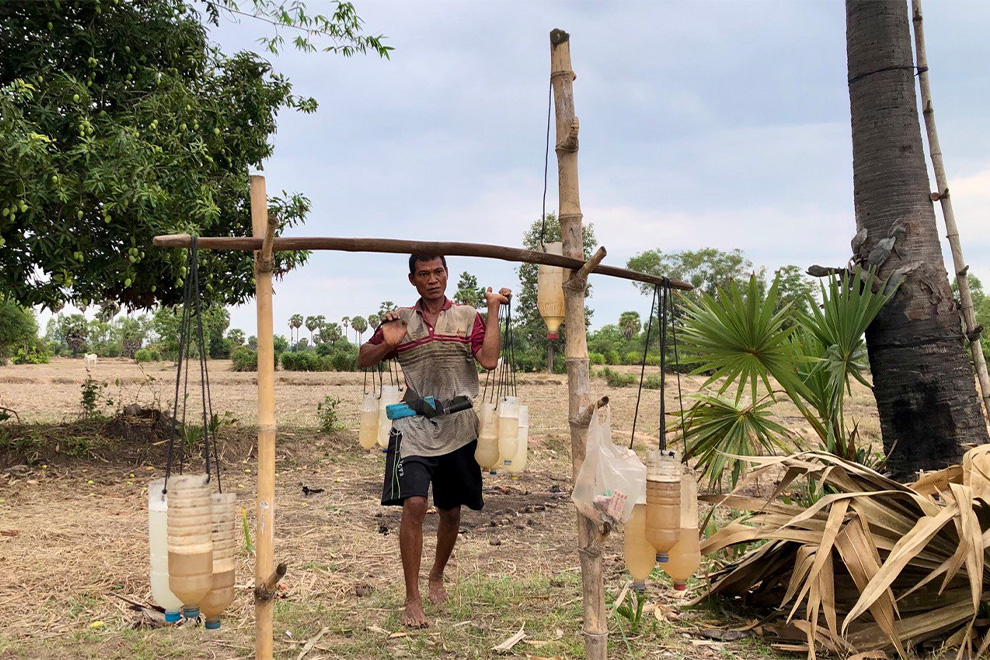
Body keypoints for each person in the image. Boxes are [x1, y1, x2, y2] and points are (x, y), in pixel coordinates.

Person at [358, 253, 511, 628]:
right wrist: (386, 343)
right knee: (413, 505)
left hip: (458, 426)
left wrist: (492, 310)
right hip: (414, 426)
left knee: (451, 511)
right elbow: (364, 359)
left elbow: (489, 360)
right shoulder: (401, 319)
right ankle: (411, 598)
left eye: (438, 272)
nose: (432, 279)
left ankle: (437, 574)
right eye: (423, 274)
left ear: (447, 274)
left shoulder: (466, 317)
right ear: (412, 280)